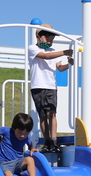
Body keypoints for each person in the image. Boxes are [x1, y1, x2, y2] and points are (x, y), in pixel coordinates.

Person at [28, 23, 74, 152]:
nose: (50, 41)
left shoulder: (53, 51)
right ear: (38, 36)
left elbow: (60, 68)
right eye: (47, 38)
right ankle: (47, 141)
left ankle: (54, 141)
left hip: (51, 86)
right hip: (37, 85)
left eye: (52, 39)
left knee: (51, 113)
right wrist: (64, 52)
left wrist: (68, 64)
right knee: (42, 115)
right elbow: (45, 56)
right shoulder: (33, 48)